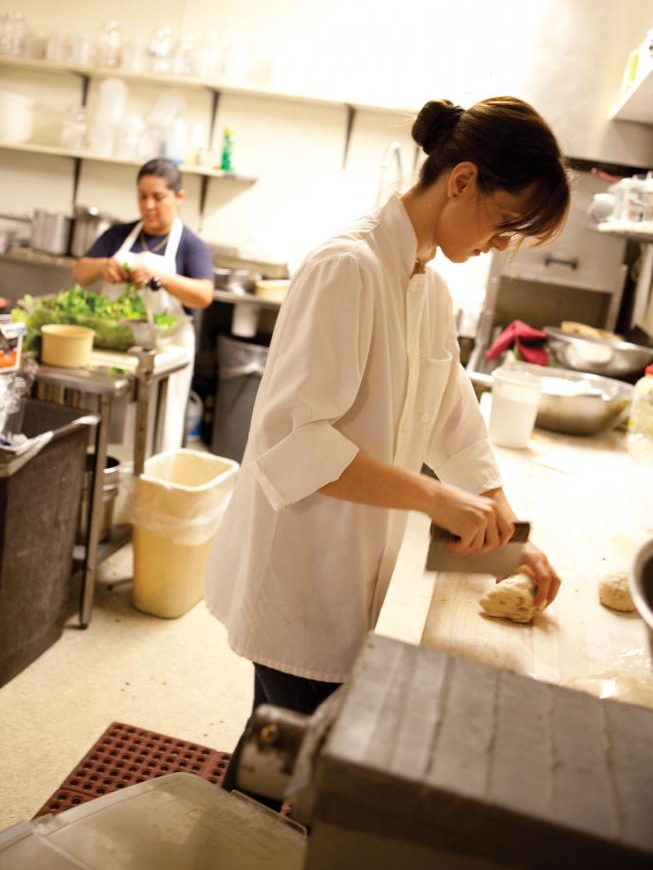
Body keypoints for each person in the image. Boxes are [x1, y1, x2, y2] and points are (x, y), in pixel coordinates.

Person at [205, 96, 571, 797]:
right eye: (501, 228)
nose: (496, 248)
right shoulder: (348, 268)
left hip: (356, 561)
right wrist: (438, 499)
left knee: (304, 751)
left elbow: (450, 412)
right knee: (278, 760)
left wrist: (501, 525)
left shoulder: (428, 289)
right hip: (303, 565)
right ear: (461, 180)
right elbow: (294, 440)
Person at [72, 158, 214, 450]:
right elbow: (80, 272)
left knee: (159, 430)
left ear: (179, 197)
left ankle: (151, 487)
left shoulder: (191, 246)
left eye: (158, 197)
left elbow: (203, 295)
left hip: (167, 353)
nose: (148, 205)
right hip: (117, 347)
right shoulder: (119, 235)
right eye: (142, 196)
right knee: (110, 428)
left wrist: (162, 278)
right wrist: (103, 266)